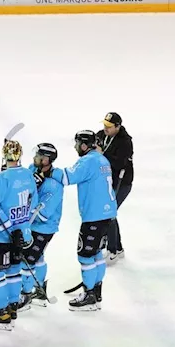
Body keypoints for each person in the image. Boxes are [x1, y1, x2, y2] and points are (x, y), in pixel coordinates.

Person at [0, 140, 37, 329]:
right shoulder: (28, 174)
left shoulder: (0, 178)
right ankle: (12, 307)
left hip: (1, 235)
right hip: (20, 234)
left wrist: (6, 225)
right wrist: (21, 225)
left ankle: (3, 313)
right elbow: (33, 201)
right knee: (13, 270)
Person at [61, 129, 119, 311]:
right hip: (107, 215)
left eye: (78, 143)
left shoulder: (87, 161)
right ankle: (96, 290)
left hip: (94, 217)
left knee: (85, 254)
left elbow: (67, 177)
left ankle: (89, 296)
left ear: (84, 145)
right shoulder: (102, 159)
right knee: (95, 254)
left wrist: (46, 171)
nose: (76, 147)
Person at [22, 143, 64, 306]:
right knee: (38, 258)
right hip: (30, 225)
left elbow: (42, 215)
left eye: (38, 155)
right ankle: (39, 290)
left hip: (44, 228)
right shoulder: (32, 169)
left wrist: (33, 190)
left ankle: (25, 295)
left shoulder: (54, 185)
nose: (34, 158)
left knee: (28, 259)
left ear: (46, 160)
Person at [96, 111, 134, 262]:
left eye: (109, 126)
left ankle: (113, 249)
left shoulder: (125, 142)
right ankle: (118, 248)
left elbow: (119, 163)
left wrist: (102, 154)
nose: (106, 128)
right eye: (105, 125)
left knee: (109, 213)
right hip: (108, 182)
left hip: (122, 183)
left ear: (118, 126)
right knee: (109, 214)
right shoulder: (102, 134)